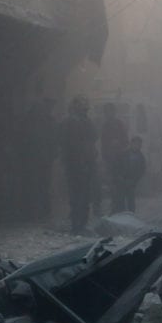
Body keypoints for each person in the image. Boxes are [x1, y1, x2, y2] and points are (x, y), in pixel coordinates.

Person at [60, 96, 97, 235]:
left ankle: (80, 224)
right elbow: (68, 144)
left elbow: (94, 135)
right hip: (75, 163)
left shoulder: (84, 122)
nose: (84, 110)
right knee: (78, 196)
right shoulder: (69, 122)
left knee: (84, 195)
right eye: (82, 108)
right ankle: (77, 225)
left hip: (84, 162)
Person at [99, 103, 129, 214]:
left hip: (119, 159)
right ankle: (115, 207)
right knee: (113, 185)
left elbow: (126, 141)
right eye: (106, 112)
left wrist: (118, 144)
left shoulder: (119, 124)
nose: (108, 114)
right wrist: (105, 157)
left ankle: (120, 207)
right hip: (110, 159)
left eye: (109, 112)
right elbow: (103, 143)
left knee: (119, 184)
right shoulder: (105, 125)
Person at [117, 135, 146, 213]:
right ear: (131, 144)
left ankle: (131, 215)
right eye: (136, 144)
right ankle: (120, 214)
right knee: (120, 200)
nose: (137, 146)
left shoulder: (141, 157)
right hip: (121, 180)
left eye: (139, 144)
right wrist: (120, 177)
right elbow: (118, 166)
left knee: (131, 200)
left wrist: (135, 180)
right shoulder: (124, 154)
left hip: (132, 182)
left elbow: (142, 170)